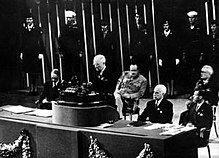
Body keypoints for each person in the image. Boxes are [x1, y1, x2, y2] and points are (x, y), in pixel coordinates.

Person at [179, 10, 206, 92]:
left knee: (197, 72)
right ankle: (190, 90)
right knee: (189, 72)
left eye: (192, 18)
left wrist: (201, 54)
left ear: (196, 19)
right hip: (188, 54)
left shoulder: (200, 28)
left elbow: (202, 42)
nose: (191, 20)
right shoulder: (186, 29)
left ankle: (198, 90)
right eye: (189, 18)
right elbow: (184, 42)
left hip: (197, 53)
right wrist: (183, 54)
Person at [20, 14, 45, 95]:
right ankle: (31, 89)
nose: (29, 21)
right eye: (27, 19)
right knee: (29, 71)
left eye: (30, 19)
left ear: (33, 20)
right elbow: (22, 42)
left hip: (35, 53)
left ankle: (35, 89)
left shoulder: (37, 29)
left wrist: (41, 52)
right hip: (27, 53)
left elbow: (40, 41)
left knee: (35, 72)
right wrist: (21, 52)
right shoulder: (24, 30)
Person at [58, 10, 83, 82]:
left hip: (75, 51)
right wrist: (61, 51)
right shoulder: (64, 28)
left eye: (70, 18)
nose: (68, 19)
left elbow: (80, 40)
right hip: (66, 52)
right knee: (67, 67)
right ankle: (67, 82)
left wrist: (80, 51)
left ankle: (77, 81)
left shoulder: (77, 28)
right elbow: (61, 40)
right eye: (67, 18)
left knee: (76, 67)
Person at [131, 12, 152, 92]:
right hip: (137, 54)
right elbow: (132, 41)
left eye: (139, 17)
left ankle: (146, 91)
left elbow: (149, 41)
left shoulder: (145, 27)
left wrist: (150, 53)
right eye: (136, 17)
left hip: (144, 53)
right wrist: (132, 54)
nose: (138, 18)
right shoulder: (133, 28)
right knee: (138, 72)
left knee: (145, 72)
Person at [157, 20, 180, 97]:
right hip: (164, 58)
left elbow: (177, 47)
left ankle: (172, 91)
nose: (165, 27)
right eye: (164, 25)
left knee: (172, 74)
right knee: (166, 75)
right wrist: (160, 59)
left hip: (172, 58)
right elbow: (159, 48)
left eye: (167, 25)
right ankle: (168, 91)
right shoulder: (161, 35)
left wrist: (177, 57)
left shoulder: (173, 34)